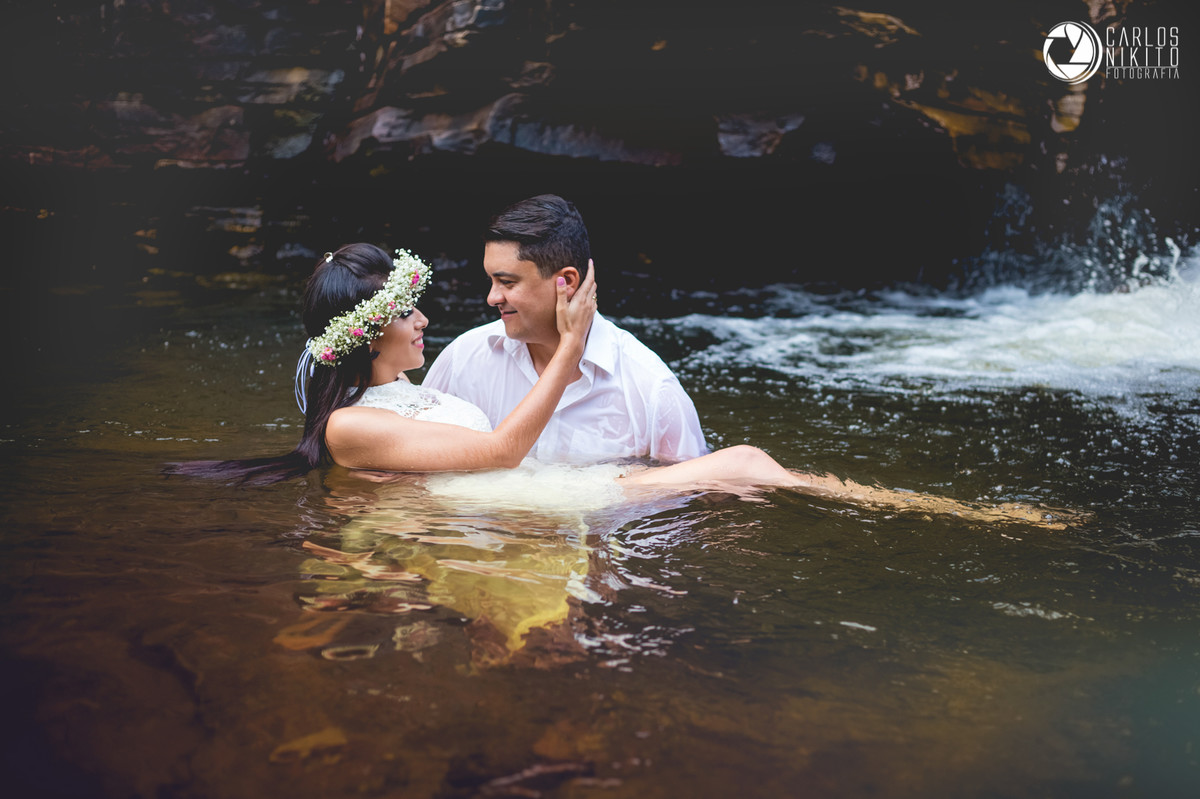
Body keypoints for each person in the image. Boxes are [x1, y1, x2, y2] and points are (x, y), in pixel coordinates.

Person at [170, 242, 1082, 530]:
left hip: (524, 499)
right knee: (750, 463)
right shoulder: (349, 430)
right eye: (407, 313)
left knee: (743, 464)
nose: (426, 321)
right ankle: (963, 516)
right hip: (528, 502)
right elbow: (494, 452)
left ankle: (943, 511)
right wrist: (572, 344)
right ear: (369, 336)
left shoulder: (406, 393)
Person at [423, 194, 707, 465]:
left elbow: (687, 501)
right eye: (491, 281)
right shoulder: (463, 358)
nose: (492, 298)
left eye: (507, 283)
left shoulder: (652, 390)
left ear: (567, 281)